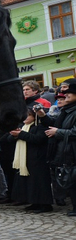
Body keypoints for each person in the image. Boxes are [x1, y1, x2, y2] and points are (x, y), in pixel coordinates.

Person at [9, 106, 54, 212]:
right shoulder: (23, 126)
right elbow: (8, 139)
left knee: (40, 182)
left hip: (38, 158)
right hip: (26, 158)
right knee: (30, 183)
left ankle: (45, 204)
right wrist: (15, 135)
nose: (25, 117)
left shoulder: (40, 126)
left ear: (34, 117)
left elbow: (38, 139)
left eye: (28, 115)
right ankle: (34, 202)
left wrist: (21, 134)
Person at [46, 78, 76, 216]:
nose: (66, 95)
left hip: (72, 150)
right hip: (67, 150)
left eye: (70, 93)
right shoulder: (66, 110)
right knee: (70, 180)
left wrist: (57, 132)